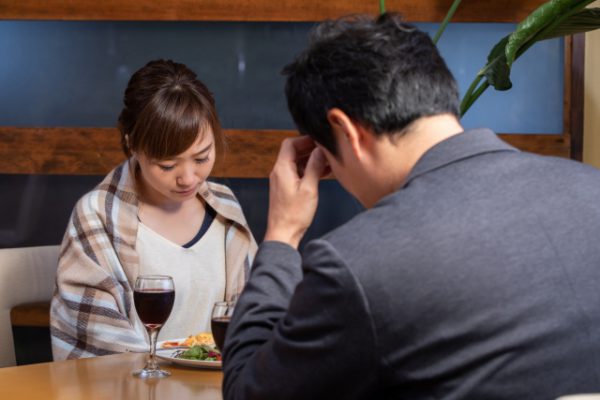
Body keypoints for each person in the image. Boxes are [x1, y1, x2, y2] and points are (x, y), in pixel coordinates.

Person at [222, 13, 600, 399]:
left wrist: (282, 233)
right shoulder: (592, 187)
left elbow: (250, 393)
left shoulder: (360, 263)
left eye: (328, 159)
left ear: (345, 131)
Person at [50, 59, 257, 360]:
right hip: (135, 382)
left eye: (201, 158)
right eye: (168, 165)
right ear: (132, 145)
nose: (188, 178)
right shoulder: (98, 216)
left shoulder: (225, 209)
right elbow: (97, 338)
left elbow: (253, 316)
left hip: (220, 381)